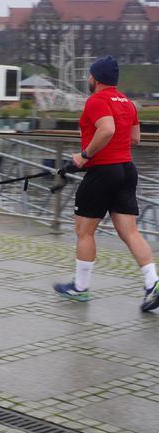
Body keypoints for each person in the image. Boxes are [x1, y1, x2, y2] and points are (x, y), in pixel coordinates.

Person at [53, 55, 159, 312]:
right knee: (130, 232)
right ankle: (152, 283)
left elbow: (107, 129)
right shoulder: (128, 102)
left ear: (95, 78)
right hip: (126, 169)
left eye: (90, 75)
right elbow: (135, 139)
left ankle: (80, 288)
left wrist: (85, 155)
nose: (88, 79)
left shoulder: (96, 100)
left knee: (84, 230)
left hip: (102, 172)